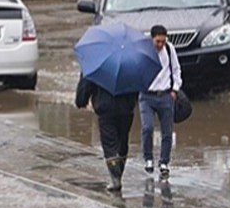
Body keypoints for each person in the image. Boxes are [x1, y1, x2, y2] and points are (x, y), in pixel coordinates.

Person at [75, 73, 137, 192]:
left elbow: (86, 81)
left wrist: (81, 100)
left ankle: (116, 177)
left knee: (110, 145)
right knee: (122, 142)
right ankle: (117, 175)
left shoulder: (95, 60)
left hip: (106, 107)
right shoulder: (130, 58)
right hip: (126, 107)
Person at [139, 24, 181, 179]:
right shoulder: (144, 51)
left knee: (167, 131)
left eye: (163, 41)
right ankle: (148, 158)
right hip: (147, 96)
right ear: (152, 39)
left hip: (165, 95)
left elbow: (176, 69)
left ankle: (164, 162)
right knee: (147, 127)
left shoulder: (169, 49)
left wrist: (175, 89)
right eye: (158, 41)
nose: (160, 45)